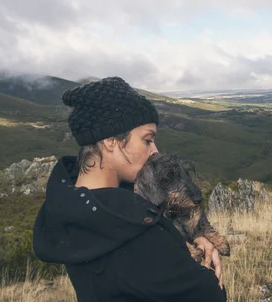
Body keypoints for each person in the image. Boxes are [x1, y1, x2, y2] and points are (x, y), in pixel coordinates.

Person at [33, 77, 226, 302]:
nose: (155, 151)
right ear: (111, 141)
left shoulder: (71, 208)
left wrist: (193, 239)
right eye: (147, 140)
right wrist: (203, 266)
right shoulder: (134, 225)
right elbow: (211, 294)